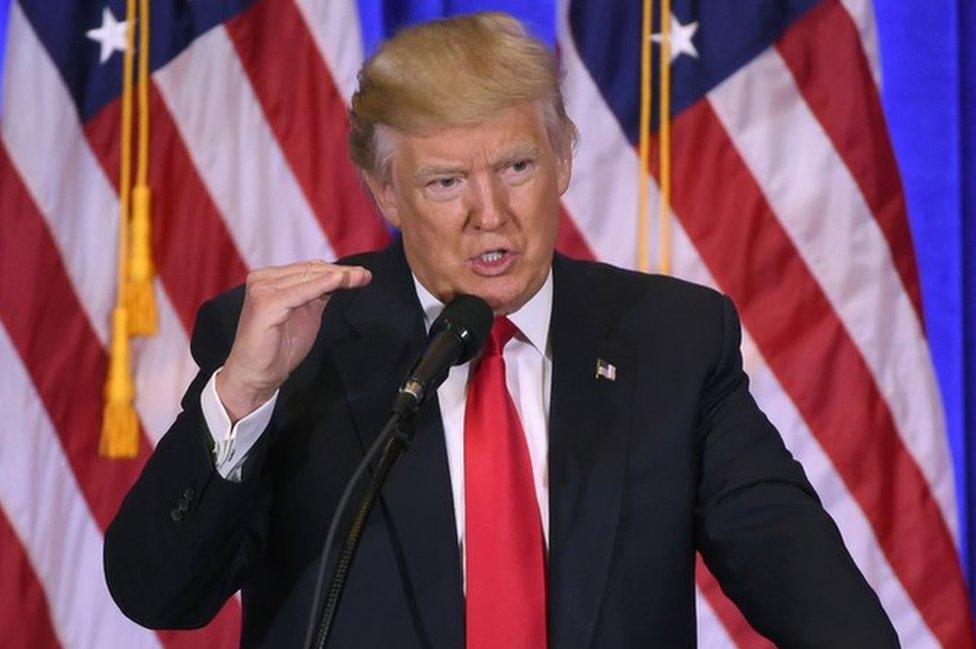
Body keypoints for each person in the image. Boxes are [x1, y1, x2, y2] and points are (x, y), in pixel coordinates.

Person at [104, 12, 898, 648]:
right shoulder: (295, 346)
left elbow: (806, 585)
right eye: (446, 181)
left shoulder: (673, 339)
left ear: (562, 160)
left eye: (516, 166)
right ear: (386, 193)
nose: (491, 213)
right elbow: (158, 592)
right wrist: (244, 392)